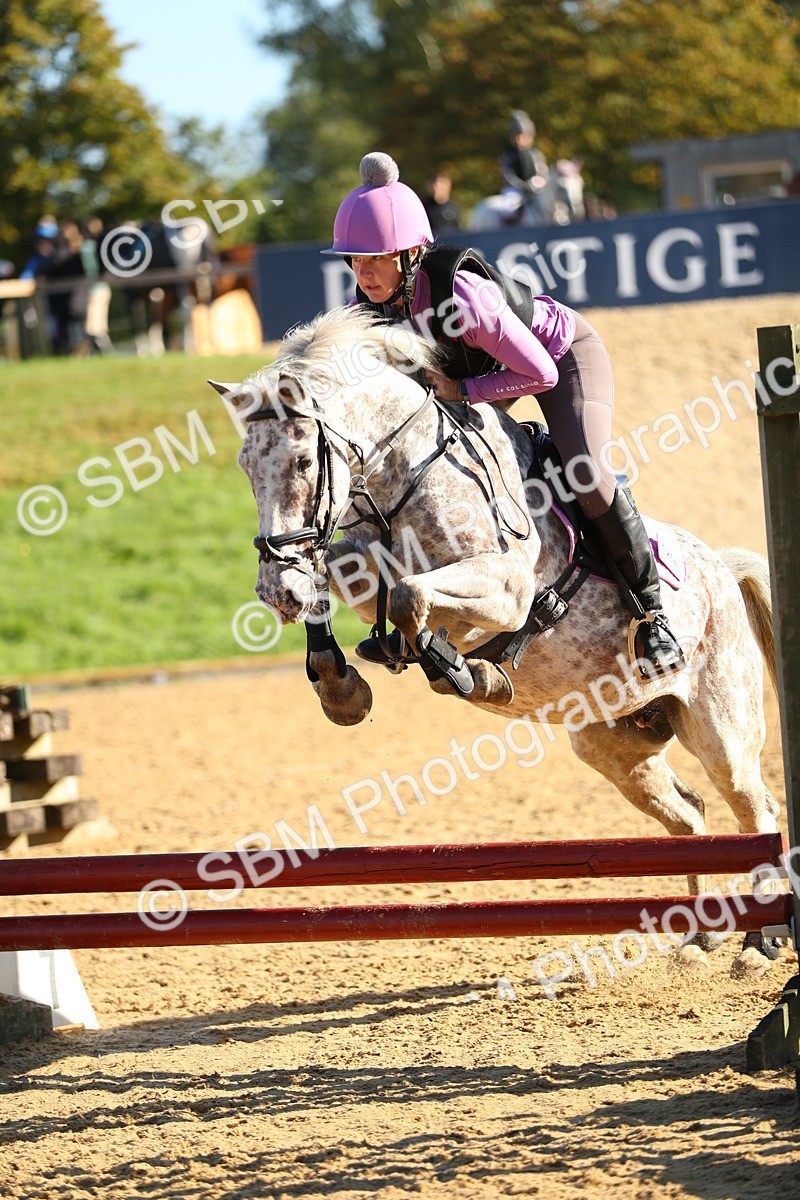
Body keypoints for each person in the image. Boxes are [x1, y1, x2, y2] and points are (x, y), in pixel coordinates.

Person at [321, 152, 686, 678]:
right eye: (354, 261)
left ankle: (653, 615)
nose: (363, 272)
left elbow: (541, 374)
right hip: (483, 378)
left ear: (410, 253)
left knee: (586, 474)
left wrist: (464, 389)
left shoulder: (462, 295)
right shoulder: (371, 305)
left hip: (561, 358)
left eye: (374, 259)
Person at [499, 111, 552, 223]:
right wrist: (523, 186)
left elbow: (542, 172)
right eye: (516, 136)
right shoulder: (508, 155)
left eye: (523, 136)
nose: (520, 140)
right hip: (515, 190)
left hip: (536, 189)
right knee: (508, 210)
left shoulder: (536, 154)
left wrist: (536, 183)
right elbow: (508, 175)